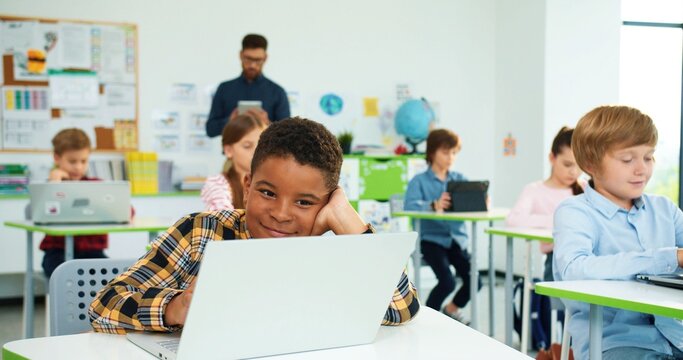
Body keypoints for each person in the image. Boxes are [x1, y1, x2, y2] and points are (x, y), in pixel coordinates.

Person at [89, 117, 419, 333]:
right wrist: (175, 308)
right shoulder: (200, 233)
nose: (281, 213)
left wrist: (351, 225)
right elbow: (104, 303)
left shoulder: (335, 249)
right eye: (267, 192)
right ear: (247, 186)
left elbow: (403, 307)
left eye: (304, 202)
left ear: (328, 203)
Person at [553, 105, 683, 360]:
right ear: (590, 163)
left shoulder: (664, 209)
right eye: (627, 159)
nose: (642, 169)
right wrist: (669, 258)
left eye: (648, 157)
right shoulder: (575, 211)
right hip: (616, 345)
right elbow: (574, 269)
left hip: (676, 337)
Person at [403, 128, 480, 325]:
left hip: (456, 239)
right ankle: (425, 319)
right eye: (446, 152)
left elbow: (473, 208)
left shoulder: (460, 179)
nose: (450, 157)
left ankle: (451, 309)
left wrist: (480, 201)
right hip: (431, 240)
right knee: (447, 281)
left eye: (454, 152)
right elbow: (409, 206)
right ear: (432, 153)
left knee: (475, 281)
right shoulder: (418, 181)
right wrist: (433, 205)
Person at [506, 126, 583, 281]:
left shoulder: (587, 188)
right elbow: (512, 220)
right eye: (568, 164)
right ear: (552, 158)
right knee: (555, 301)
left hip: (590, 258)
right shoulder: (534, 190)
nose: (574, 172)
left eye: (579, 166)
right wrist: (556, 219)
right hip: (556, 258)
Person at [40, 128, 107, 278]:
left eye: (83, 161)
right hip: (57, 253)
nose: (78, 167)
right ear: (57, 158)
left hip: (92, 253)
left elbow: (123, 210)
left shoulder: (97, 186)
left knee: (113, 279)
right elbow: (38, 212)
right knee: (66, 278)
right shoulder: (48, 187)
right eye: (72, 161)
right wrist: (54, 184)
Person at [205, 34, 290, 138]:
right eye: (248, 59)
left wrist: (267, 123)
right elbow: (210, 130)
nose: (252, 65)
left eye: (258, 60)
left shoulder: (277, 92)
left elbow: (287, 136)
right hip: (233, 153)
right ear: (241, 55)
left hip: (265, 153)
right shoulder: (224, 89)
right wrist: (230, 121)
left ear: (265, 58)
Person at [201, 114, 266, 210]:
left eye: (261, 145)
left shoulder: (273, 182)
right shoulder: (218, 184)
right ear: (228, 151)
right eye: (247, 146)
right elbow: (223, 221)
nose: (257, 151)